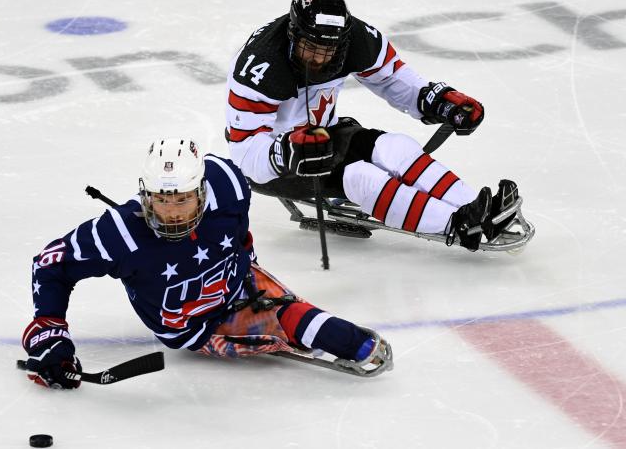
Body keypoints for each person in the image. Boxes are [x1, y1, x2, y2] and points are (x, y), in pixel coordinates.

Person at [21, 138, 393, 389]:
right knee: (292, 320)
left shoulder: (227, 183)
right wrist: (49, 334)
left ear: (201, 190)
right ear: (144, 194)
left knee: (292, 315)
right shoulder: (120, 232)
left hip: (239, 278)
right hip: (195, 324)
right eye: (160, 200)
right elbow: (50, 265)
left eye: (182, 199)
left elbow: (240, 229)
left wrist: (246, 263)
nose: (171, 212)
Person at [225, 0, 519, 251]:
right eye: (309, 47)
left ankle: (479, 208)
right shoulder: (260, 66)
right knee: (360, 177)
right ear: (293, 33)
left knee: (396, 147)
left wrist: (438, 102)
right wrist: (284, 152)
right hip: (280, 163)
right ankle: (456, 224)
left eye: (328, 50)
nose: (318, 58)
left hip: (326, 133)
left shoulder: (356, 38)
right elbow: (244, 153)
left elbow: (393, 80)